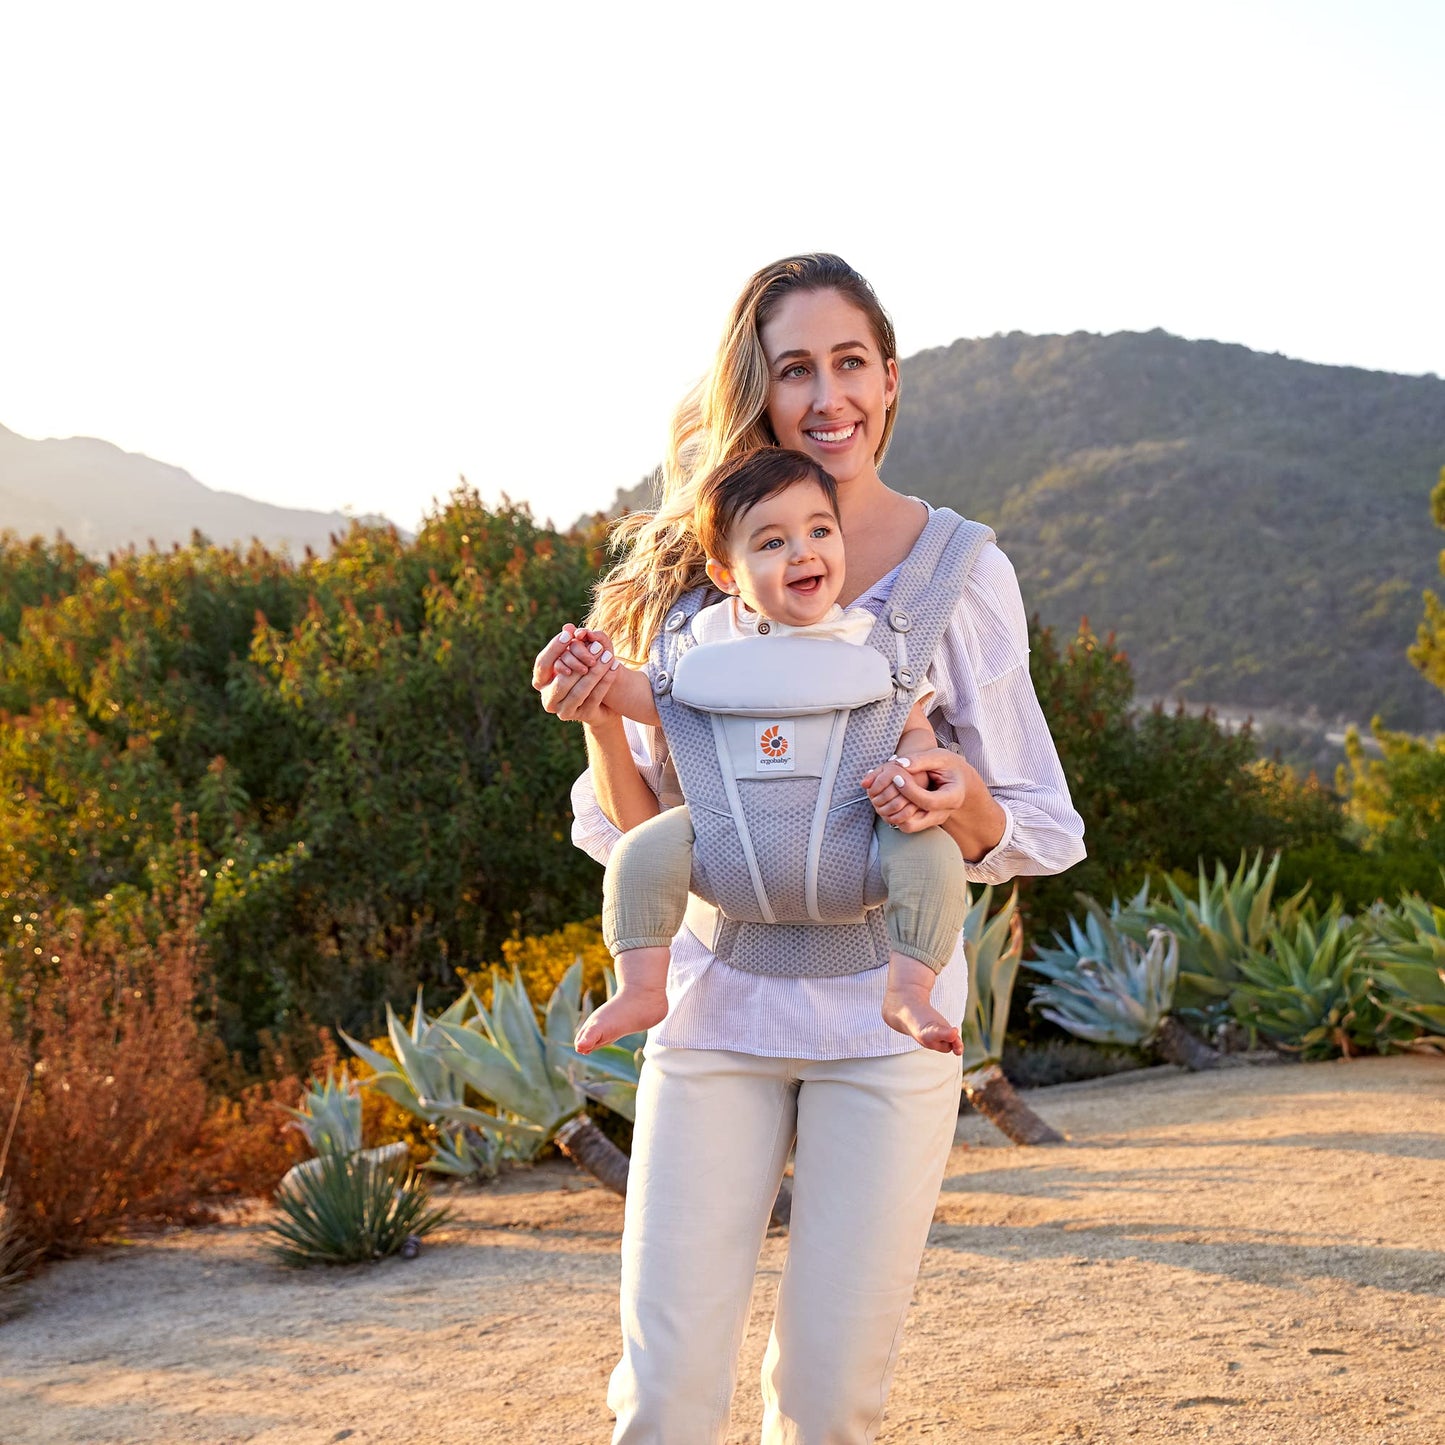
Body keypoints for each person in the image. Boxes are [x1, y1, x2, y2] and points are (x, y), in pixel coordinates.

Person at [534, 253, 1086, 1444]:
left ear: (888, 382)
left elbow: (1031, 818)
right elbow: (645, 838)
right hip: (711, 1010)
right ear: (762, 391)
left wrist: (954, 800)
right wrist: (597, 725)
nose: (827, 394)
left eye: (849, 363)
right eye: (796, 369)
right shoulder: (692, 580)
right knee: (665, 1391)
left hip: (884, 1029)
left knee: (829, 1396)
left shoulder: (961, 574)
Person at [536, 445, 970, 1058]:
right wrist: (592, 667)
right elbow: (648, 697)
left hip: (856, 848)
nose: (803, 551)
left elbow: (913, 722)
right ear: (725, 575)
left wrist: (911, 771)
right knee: (641, 850)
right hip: (721, 849)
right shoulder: (704, 643)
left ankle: (909, 989)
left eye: (820, 530)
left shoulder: (867, 641)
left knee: (932, 855)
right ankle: (640, 986)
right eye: (771, 543)